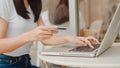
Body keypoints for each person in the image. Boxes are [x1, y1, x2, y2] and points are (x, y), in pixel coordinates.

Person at [0, 0, 99, 68]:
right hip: (5, 63)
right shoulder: (5, 2)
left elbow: (45, 39)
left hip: (25, 62)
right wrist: (29, 36)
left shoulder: (33, 4)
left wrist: (71, 38)